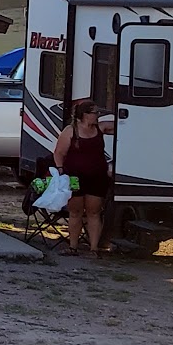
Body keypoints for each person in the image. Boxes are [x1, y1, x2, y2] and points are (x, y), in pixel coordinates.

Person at [52, 99, 112, 253]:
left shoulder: (100, 128)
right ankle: (73, 246)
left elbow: (124, 124)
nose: (98, 115)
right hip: (74, 177)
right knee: (76, 212)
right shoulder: (71, 131)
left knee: (94, 212)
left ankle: (94, 248)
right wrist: (60, 169)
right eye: (95, 113)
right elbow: (59, 152)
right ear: (85, 115)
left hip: (97, 177)